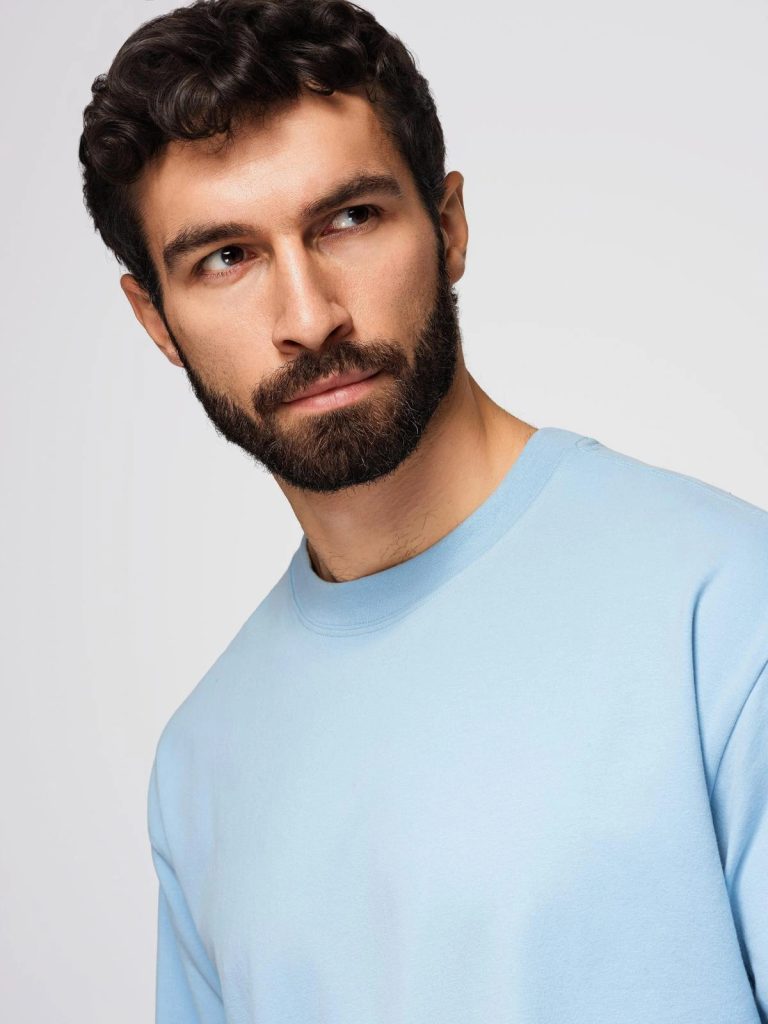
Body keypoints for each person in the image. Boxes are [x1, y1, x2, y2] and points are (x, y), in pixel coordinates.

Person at [78, 1, 768, 1021]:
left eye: (349, 219)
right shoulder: (199, 765)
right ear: (156, 320)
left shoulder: (728, 609)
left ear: (448, 227)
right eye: (226, 257)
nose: (308, 318)